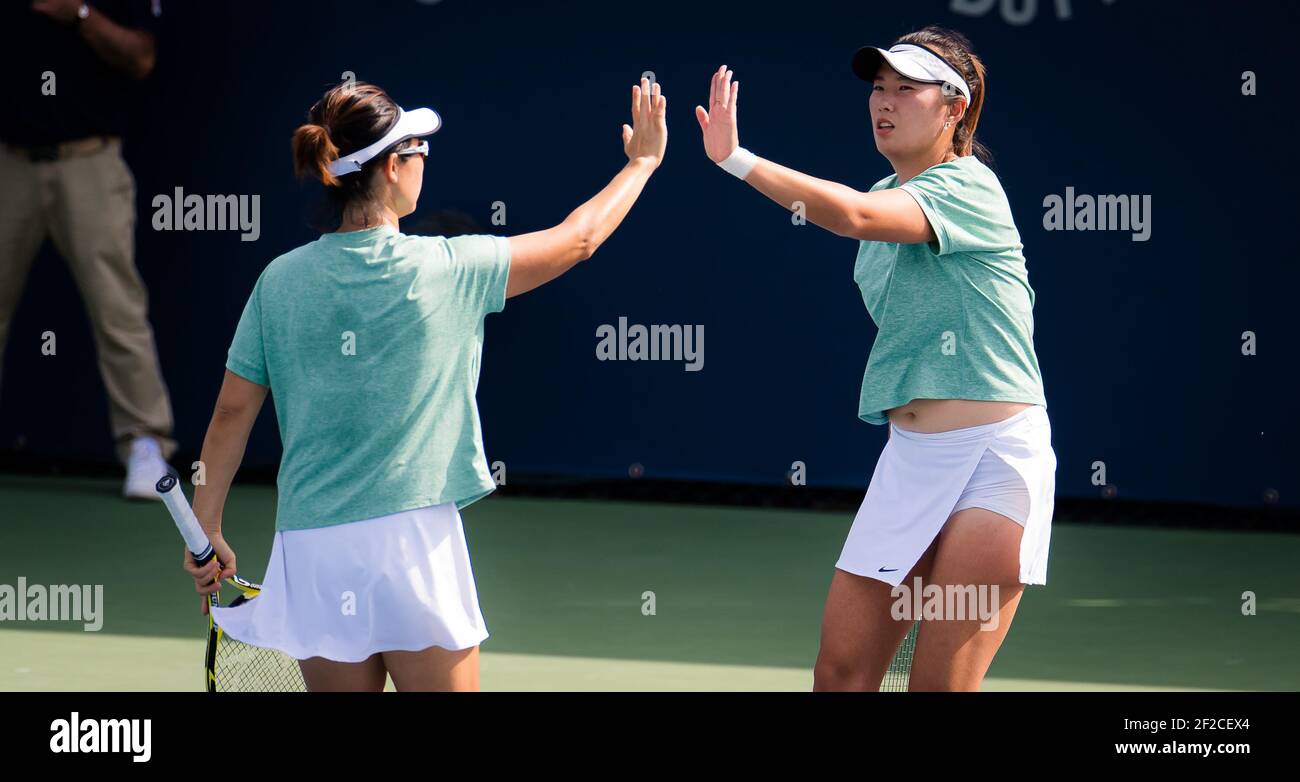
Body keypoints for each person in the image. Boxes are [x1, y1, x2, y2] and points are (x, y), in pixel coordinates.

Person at [182, 78, 668, 691]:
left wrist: (208, 530)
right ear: (391, 168)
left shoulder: (277, 282)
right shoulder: (447, 269)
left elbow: (231, 412)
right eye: (419, 152)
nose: (423, 166)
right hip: (413, 545)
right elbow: (579, 239)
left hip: (313, 550)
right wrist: (643, 163)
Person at [695, 26, 1056, 691]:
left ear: (955, 109)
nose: (884, 102)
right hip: (910, 462)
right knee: (840, 676)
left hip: (995, 462)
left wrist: (736, 159)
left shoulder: (968, 189)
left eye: (907, 89)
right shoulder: (883, 194)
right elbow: (864, 213)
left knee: (935, 686)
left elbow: (854, 216)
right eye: (879, 88)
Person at [0, 0, 175, 499]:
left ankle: (145, 443)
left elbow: (141, 57)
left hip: (90, 160)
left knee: (117, 308)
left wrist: (77, 12)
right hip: (7, 161)